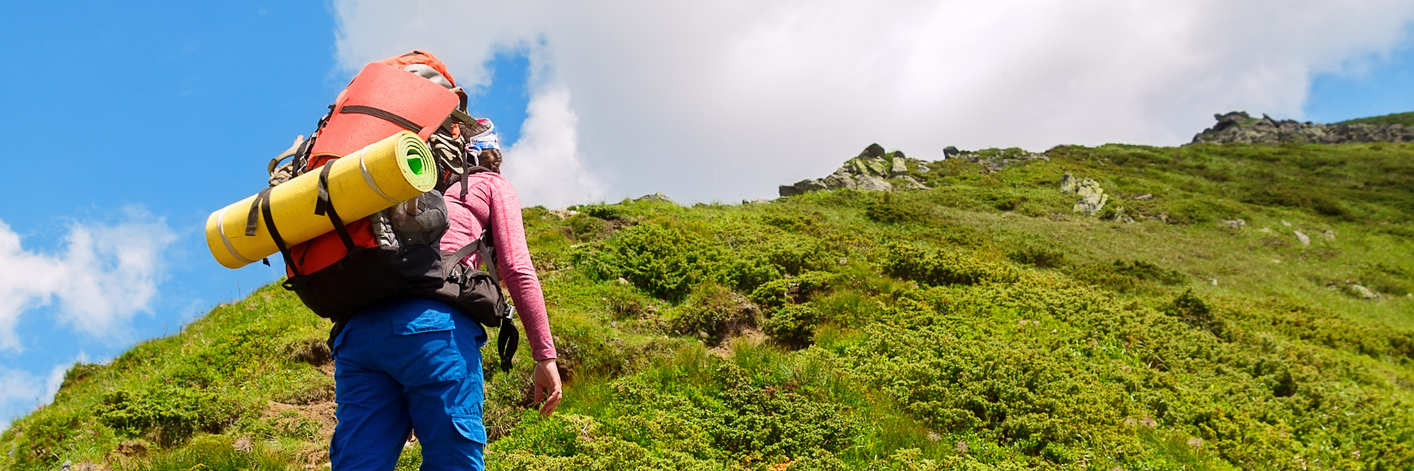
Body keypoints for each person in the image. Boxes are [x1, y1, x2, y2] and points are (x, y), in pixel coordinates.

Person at [327, 117, 562, 470]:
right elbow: (516, 268)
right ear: (490, 153)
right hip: (434, 331)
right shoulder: (489, 184)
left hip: (358, 335)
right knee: (454, 462)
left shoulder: (400, 187)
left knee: (358, 463)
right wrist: (545, 356)